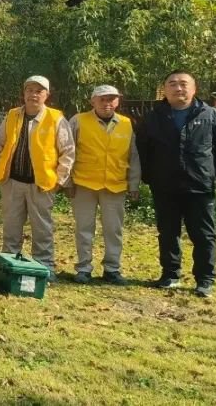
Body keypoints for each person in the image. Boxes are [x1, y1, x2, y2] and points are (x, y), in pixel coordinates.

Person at [136, 70, 216, 297]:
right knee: (168, 232)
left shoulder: (210, 115)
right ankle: (170, 274)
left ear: (194, 88)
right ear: (165, 89)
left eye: (183, 84)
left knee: (203, 234)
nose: (178, 88)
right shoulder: (153, 117)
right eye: (172, 84)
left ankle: (205, 279)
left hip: (199, 183)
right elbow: (142, 149)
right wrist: (146, 177)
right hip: (164, 184)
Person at [0, 75, 75, 281]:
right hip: (12, 183)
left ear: (47, 95)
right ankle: (8, 267)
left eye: (38, 91)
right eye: (29, 90)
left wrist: (58, 181)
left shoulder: (56, 118)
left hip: (42, 186)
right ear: (24, 93)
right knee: (11, 229)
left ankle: (45, 269)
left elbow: (68, 152)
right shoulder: (12, 116)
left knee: (42, 230)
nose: (33, 94)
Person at [65, 85, 140, 285]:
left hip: (115, 185)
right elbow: (68, 152)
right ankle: (83, 268)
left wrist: (133, 184)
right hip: (84, 184)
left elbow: (133, 155)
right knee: (84, 228)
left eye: (111, 99)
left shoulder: (126, 123)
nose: (107, 103)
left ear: (118, 101)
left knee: (113, 230)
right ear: (93, 101)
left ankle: (112, 269)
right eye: (102, 99)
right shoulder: (78, 121)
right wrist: (67, 181)